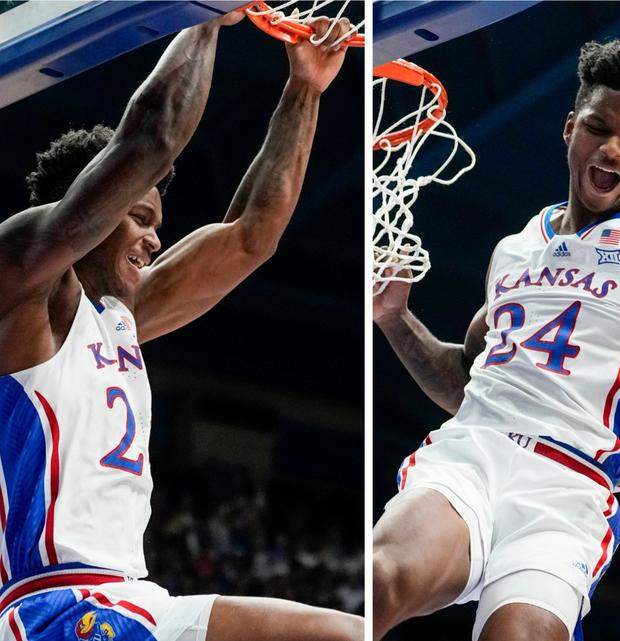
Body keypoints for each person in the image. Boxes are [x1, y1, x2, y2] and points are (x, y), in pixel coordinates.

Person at [0, 11, 360, 641]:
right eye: (139, 217)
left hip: (127, 597)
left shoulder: (117, 319)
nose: (154, 238)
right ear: (92, 204)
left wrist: (304, 90)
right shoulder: (21, 286)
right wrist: (204, 19)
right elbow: (151, 141)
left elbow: (250, 235)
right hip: (56, 603)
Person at [374, 34, 620, 641]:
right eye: (598, 128)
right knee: (382, 577)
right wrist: (395, 318)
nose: (612, 148)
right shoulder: (513, 248)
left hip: (571, 487)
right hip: (473, 453)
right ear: (571, 127)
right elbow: (468, 382)